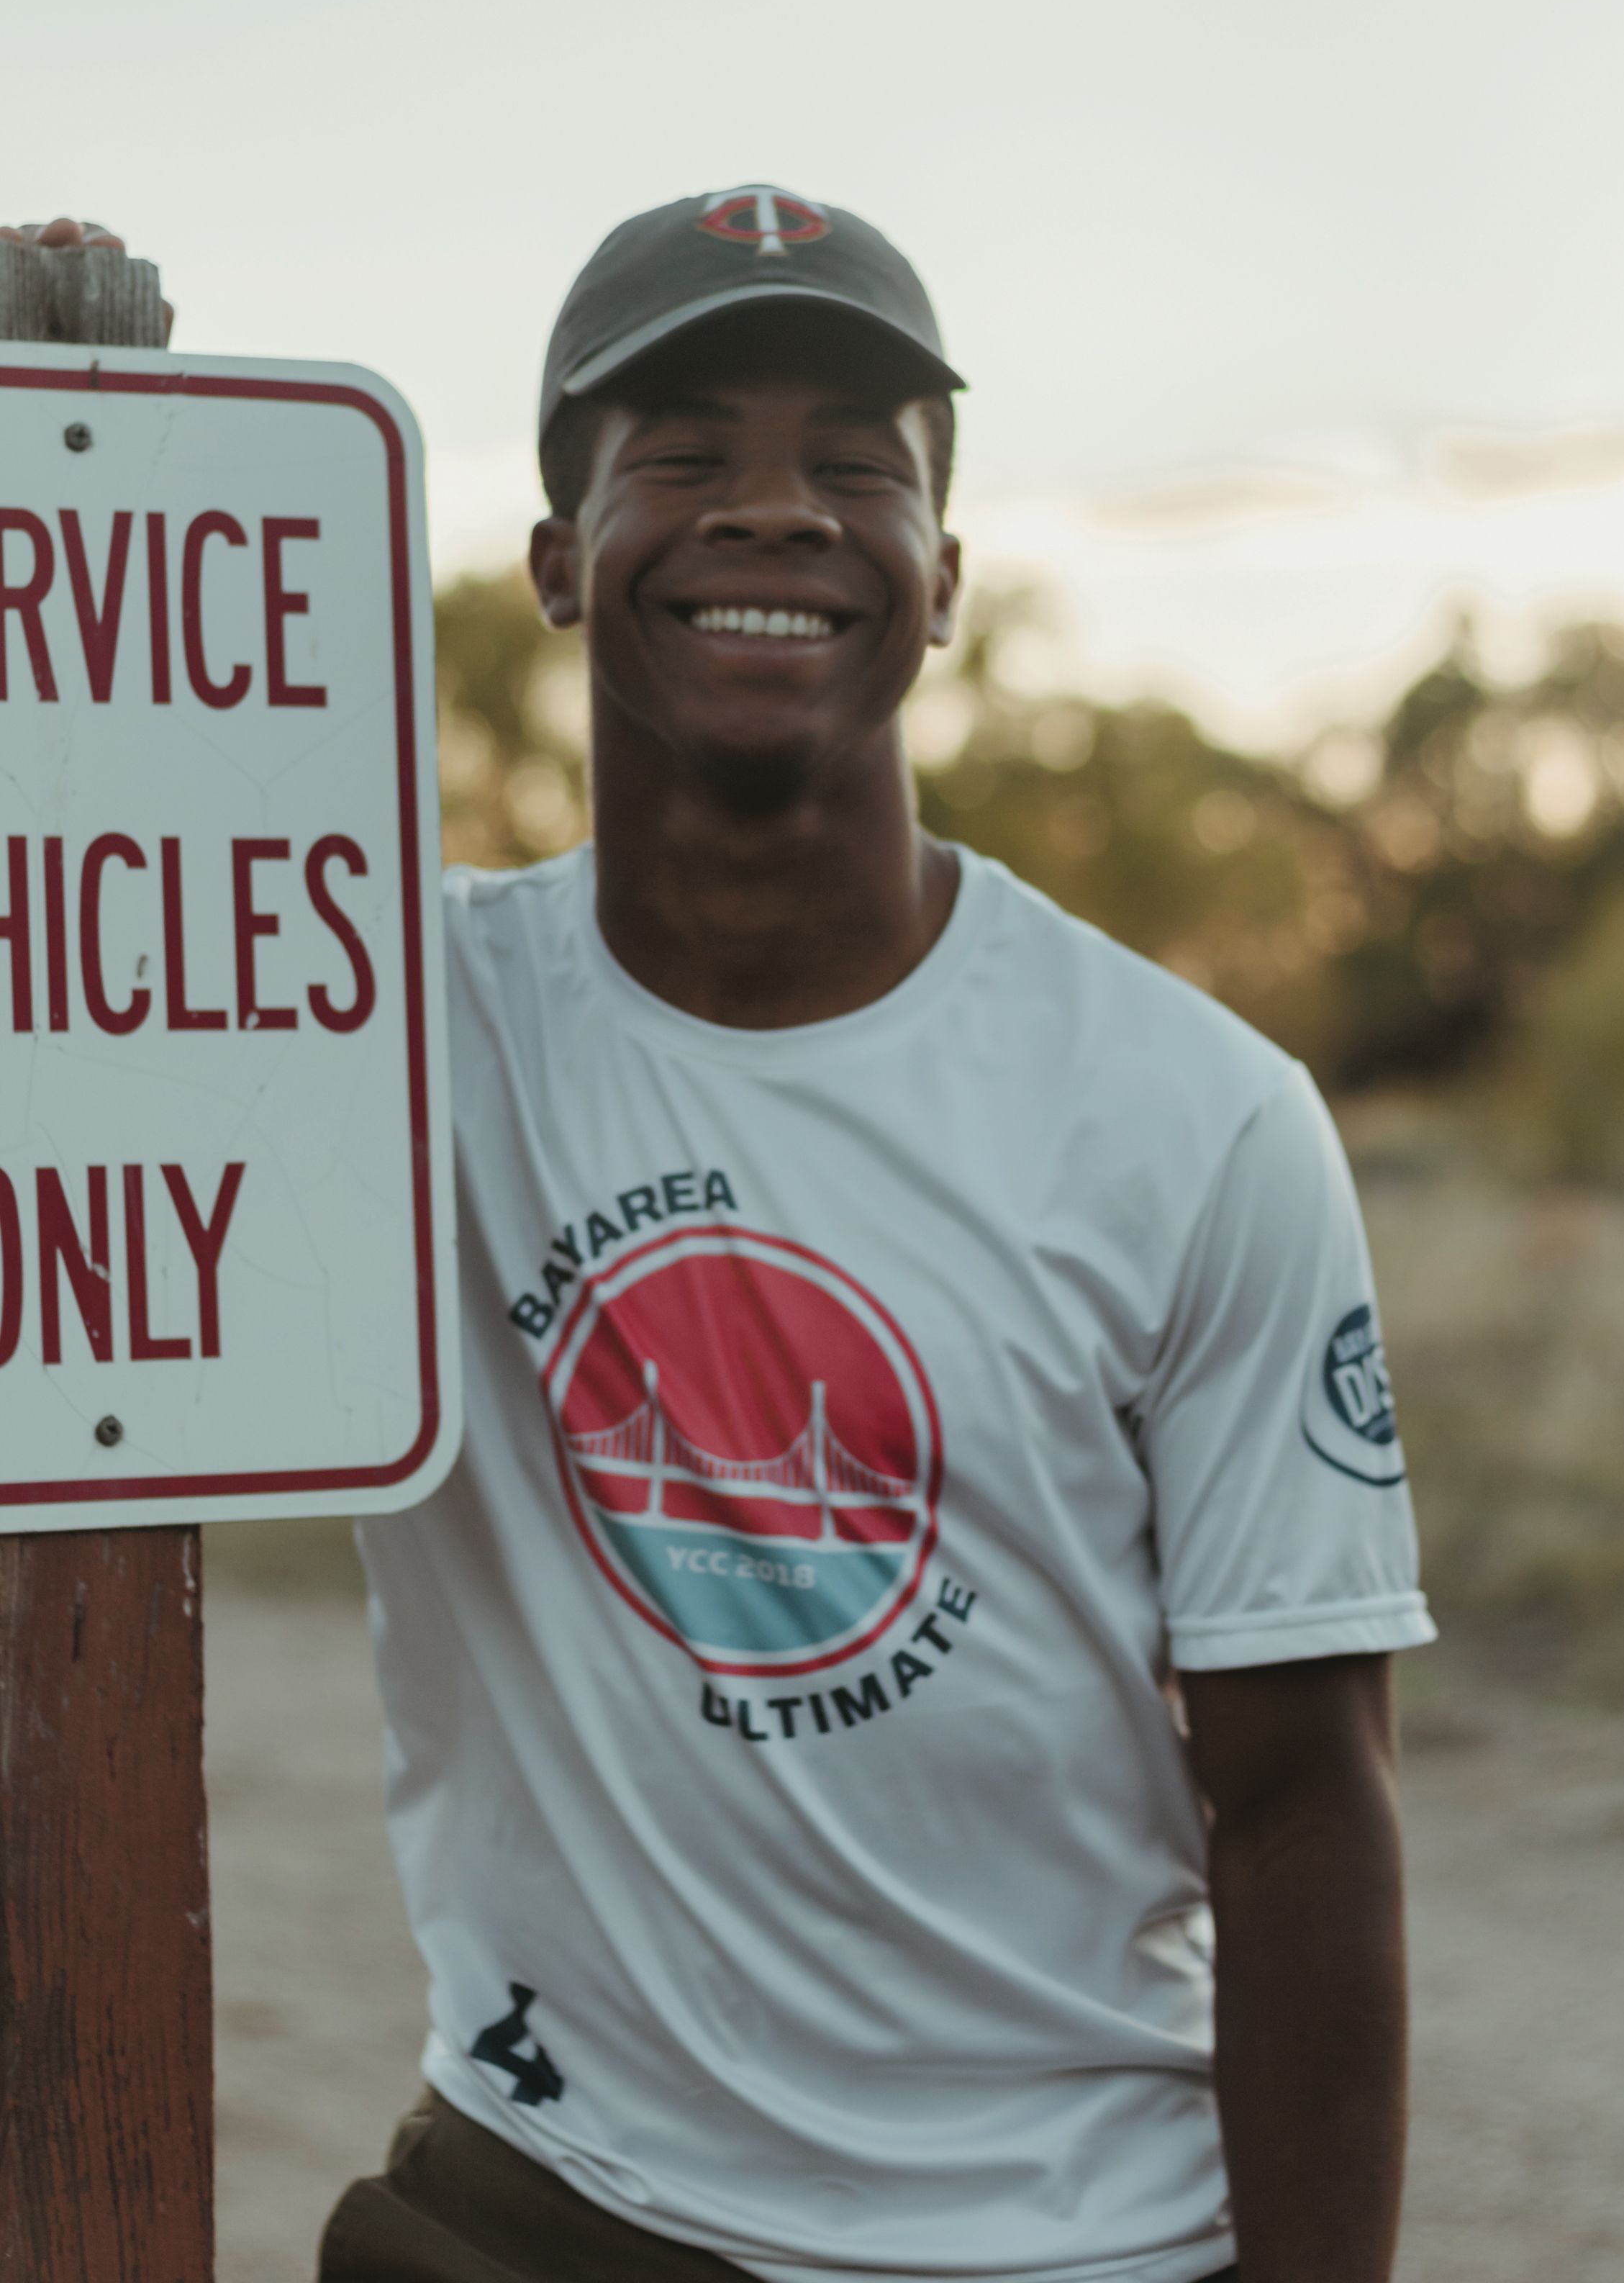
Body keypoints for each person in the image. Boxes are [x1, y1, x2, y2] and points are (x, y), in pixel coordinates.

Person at [26, 193, 1435, 2282]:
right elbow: (71, 923)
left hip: (1067, 2244)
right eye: (682, 453)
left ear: (943, 577)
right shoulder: (371, 1035)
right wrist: (50, 433)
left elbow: (1307, 1805)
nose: (775, 510)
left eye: (858, 463)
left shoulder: (1191, 1115)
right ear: (556, 564)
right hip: (559, 2207)